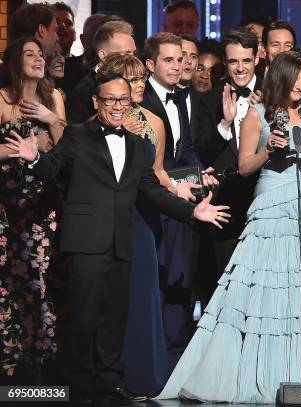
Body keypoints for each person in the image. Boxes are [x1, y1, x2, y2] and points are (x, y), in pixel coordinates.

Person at [156, 51, 301, 403]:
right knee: (266, 285)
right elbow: (245, 166)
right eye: (298, 79)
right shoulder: (256, 115)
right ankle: (259, 371)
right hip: (271, 200)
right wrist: (269, 150)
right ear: (280, 79)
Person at [4, 73, 229, 403]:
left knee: (115, 315)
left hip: (122, 242)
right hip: (85, 241)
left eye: (123, 99)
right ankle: (80, 387)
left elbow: (151, 190)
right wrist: (33, 157)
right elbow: (52, 168)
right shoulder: (77, 135)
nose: (118, 106)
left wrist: (191, 211)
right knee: (83, 317)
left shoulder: (139, 145)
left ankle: (111, 381)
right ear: (96, 102)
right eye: (110, 99)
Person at [96, 53, 171, 397]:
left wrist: (178, 192)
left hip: (144, 217)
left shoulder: (154, 121)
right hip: (110, 216)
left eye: (142, 78)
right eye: (132, 80)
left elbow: (156, 174)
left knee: (143, 294)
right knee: (111, 296)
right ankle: (109, 375)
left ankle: (143, 376)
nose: (139, 85)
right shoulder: (95, 124)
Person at [0, 37, 66, 382]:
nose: (39, 59)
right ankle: (11, 371)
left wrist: (50, 117)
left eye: (41, 54)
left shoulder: (53, 97)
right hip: (9, 208)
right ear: (15, 61)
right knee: (11, 286)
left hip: (44, 208)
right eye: (30, 54)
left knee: (42, 286)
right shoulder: (2, 99)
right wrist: (18, 149)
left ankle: (42, 369)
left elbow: (70, 146)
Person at [140, 32, 203, 373]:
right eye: (169, 60)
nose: (178, 66)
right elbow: (149, 162)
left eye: (180, 59)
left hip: (181, 202)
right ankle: (151, 363)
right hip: (150, 203)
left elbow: (186, 147)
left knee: (181, 278)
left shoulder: (184, 97)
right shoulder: (141, 100)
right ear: (150, 65)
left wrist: (198, 174)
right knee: (157, 280)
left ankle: (174, 362)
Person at [194, 27, 263, 301]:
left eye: (246, 60)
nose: (240, 68)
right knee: (226, 290)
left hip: (263, 201)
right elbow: (201, 151)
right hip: (224, 206)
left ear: (257, 58)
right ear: (225, 62)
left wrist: (265, 110)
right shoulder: (210, 99)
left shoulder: (272, 95)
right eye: (233, 61)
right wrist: (224, 123)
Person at [66, 20, 136, 123]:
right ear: (102, 55)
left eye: (134, 53)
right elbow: (76, 132)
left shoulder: (134, 82)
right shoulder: (84, 91)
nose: (133, 59)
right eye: (126, 54)